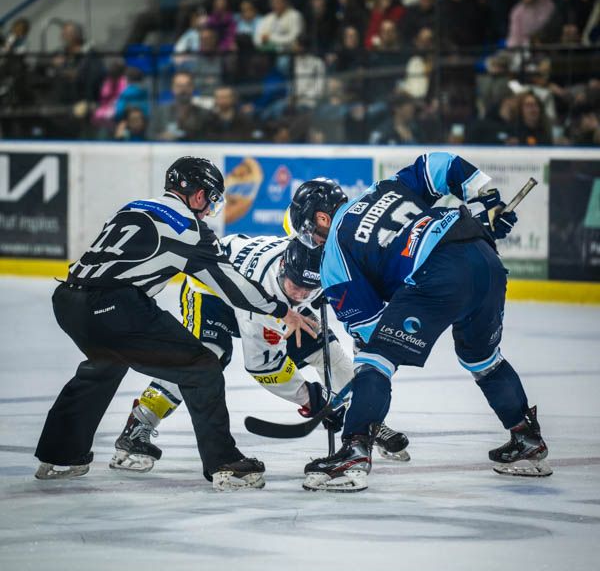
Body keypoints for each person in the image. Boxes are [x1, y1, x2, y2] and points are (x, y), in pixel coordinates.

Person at [34, 157, 317, 490]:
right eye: (211, 199)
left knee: (104, 364)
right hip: (114, 305)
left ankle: (60, 456)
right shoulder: (188, 229)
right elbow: (231, 286)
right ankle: (224, 463)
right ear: (198, 196)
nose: (210, 208)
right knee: (202, 367)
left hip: (68, 300)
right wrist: (282, 310)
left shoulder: (136, 206)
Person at [289, 156, 551, 492]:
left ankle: (354, 451)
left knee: (375, 361)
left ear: (322, 218)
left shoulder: (334, 251)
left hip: (437, 272)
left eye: (312, 233)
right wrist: (486, 200)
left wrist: (363, 384)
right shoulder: (384, 189)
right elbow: (440, 165)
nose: (316, 242)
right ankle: (526, 438)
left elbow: (371, 331)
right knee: (481, 358)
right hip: (483, 256)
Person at [110, 235, 410, 471]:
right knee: (204, 358)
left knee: (324, 347)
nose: (302, 295)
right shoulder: (264, 293)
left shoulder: (311, 274)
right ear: (283, 269)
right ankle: (138, 425)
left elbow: (324, 296)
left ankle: (367, 421)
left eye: (310, 288)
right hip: (213, 292)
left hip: (262, 293)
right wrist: (312, 399)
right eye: (296, 286)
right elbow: (263, 367)